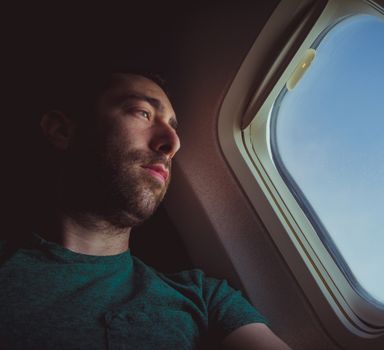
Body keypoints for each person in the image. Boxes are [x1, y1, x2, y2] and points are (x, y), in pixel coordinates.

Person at [0, 71, 292, 350]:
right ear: (63, 131)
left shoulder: (204, 297)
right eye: (143, 113)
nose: (173, 143)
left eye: (173, 126)